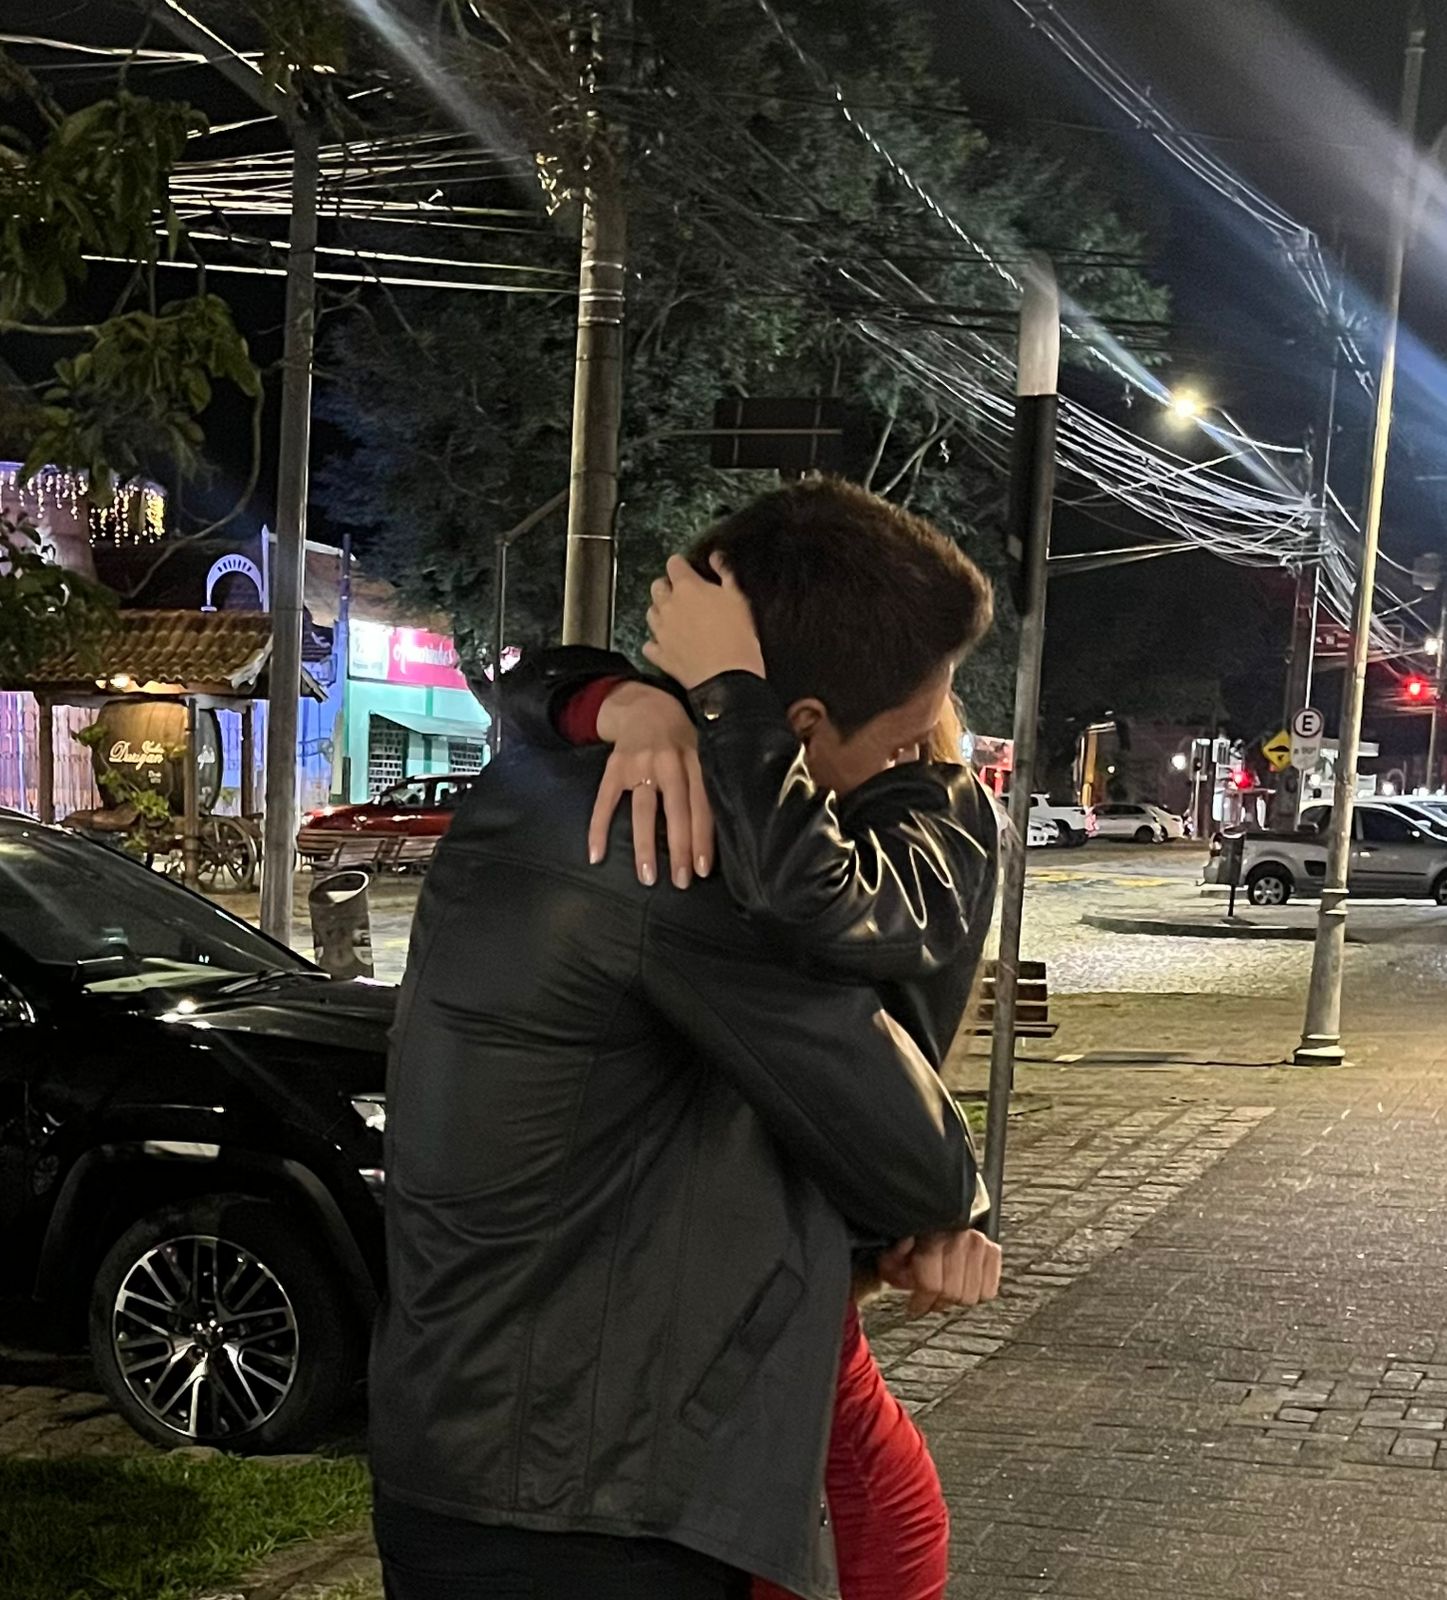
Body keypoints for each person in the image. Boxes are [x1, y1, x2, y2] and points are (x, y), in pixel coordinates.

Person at [370, 480, 997, 1600]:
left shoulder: (557, 777)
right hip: (582, 1506)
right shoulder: (679, 844)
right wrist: (950, 1208)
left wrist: (600, 693)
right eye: (906, 744)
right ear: (797, 728)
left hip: (481, 1453)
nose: (914, 769)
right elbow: (898, 1137)